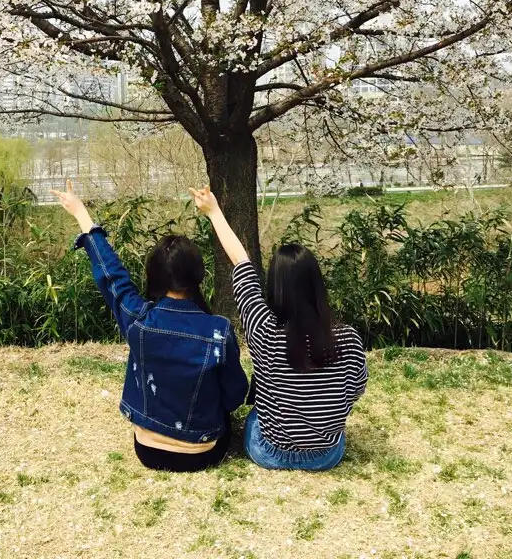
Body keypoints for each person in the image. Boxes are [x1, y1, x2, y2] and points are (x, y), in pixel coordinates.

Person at [52, 180, 248, 472]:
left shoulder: (139, 319)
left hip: (148, 451)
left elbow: (112, 276)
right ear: (198, 276)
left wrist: (82, 215)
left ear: (154, 277)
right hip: (204, 452)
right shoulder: (217, 331)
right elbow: (234, 396)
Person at [190, 186, 368, 472]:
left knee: (254, 416)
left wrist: (213, 211)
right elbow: (355, 390)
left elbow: (241, 262)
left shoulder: (263, 329)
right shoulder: (347, 338)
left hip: (270, 451)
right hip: (326, 455)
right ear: (316, 285)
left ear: (274, 287)